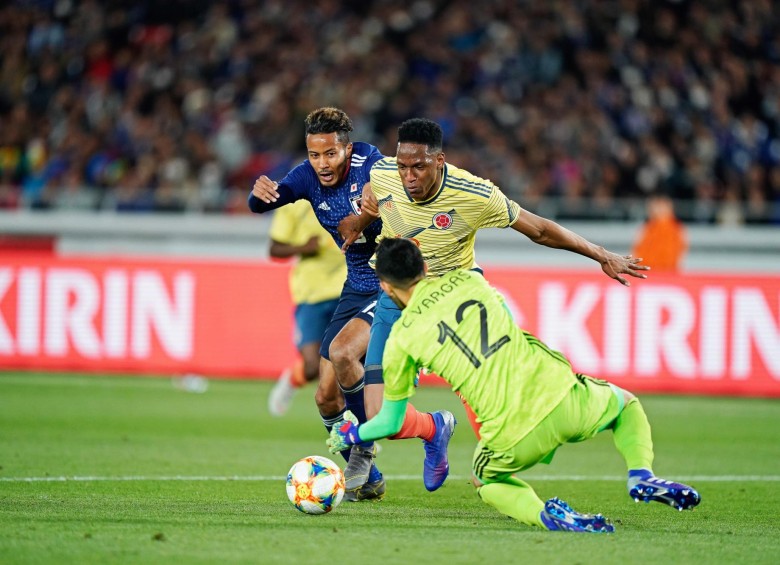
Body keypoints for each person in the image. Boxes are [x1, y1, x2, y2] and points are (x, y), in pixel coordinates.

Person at [328, 238, 701, 532]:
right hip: (562, 392)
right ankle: (641, 474)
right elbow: (505, 318)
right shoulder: (469, 279)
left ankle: (546, 516)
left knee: (485, 480)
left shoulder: (402, 340)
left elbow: (390, 422)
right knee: (626, 406)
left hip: (513, 432)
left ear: (385, 287)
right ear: (424, 267)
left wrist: (352, 434)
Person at [339, 118, 649, 438]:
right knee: (379, 418)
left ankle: (495, 461)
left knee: (486, 399)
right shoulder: (383, 174)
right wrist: (361, 220)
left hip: (454, 298)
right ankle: (435, 427)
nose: (408, 176)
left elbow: (540, 230)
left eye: (418, 167)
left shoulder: (475, 194)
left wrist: (601, 254)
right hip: (396, 296)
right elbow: (374, 191)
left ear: (439, 161)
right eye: (403, 166)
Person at [248, 107, 454, 500]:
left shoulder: (370, 164)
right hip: (355, 285)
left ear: (347, 147)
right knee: (325, 395)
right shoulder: (307, 176)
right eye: (314, 154)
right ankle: (378, 468)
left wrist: (364, 211)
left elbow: (387, 183)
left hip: (391, 284)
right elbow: (265, 203)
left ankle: (362, 449)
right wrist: (258, 197)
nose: (322, 164)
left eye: (330, 154)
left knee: (343, 353)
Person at [266, 199, 346, 417]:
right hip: (310, 293)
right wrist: (303, 248)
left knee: (344, 364)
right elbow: (274, 248)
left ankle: (355, 431)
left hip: (348, 291)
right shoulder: (294, 201)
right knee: (312, 366)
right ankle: (291, 380)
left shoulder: (350, 192)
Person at [631, 193, 688, 272]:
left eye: (661, 207)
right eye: (655, 207)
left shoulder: (677, 228)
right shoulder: (646, 227)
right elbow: (637, 249)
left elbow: (681, 250)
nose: (658, 210)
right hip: (648, 270)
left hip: (669, 270)